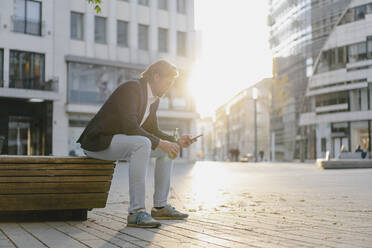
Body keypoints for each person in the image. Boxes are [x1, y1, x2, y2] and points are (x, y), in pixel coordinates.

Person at [77, 60, 194, 228]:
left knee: (168, 150)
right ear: (156, 76)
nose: (170, 87)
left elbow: (153, 130)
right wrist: (161, 142)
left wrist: (176, 141)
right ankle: (136, 212)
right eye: (168, 82)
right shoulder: (132, 89)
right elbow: (130, 126)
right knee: (143, 143)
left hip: (119, 141)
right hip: (98, 142)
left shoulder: (154, 99)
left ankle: (160, 207)